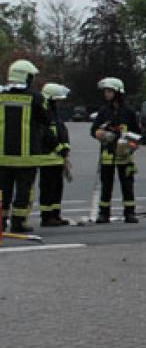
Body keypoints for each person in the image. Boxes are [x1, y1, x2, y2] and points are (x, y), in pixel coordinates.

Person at [0, 60, 51, 233]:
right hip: (26, 156)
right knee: (23, 191)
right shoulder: (35, 97)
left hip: (2, 156)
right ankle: (18, 222)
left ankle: (1, 221)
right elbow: (47, 120)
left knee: (2, 191)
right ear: (26, 77)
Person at [90, 77, 141, 224]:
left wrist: (130, 144)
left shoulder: (129, 112)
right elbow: (93, 130)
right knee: (106, 186)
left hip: (125, 157)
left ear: (117, 92)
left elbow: (138, 134)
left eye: (109, 91)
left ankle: (130, 213)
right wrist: (101, 134)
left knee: (127, 186)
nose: (106, 94)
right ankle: (103, 214)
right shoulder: (104, 111)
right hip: (107, 156)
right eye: (106, 91)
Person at [37, 83, 72, 226]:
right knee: (47, 188)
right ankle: (46, 217)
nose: (59, 103)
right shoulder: (44, 114)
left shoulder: (54, 114)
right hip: (47, 158)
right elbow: (46, 135)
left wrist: (65, 151)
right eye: (57, 100)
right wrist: (59, 148)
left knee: (57, 188)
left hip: (58, 158)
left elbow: (61, 133)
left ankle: (55, 215)